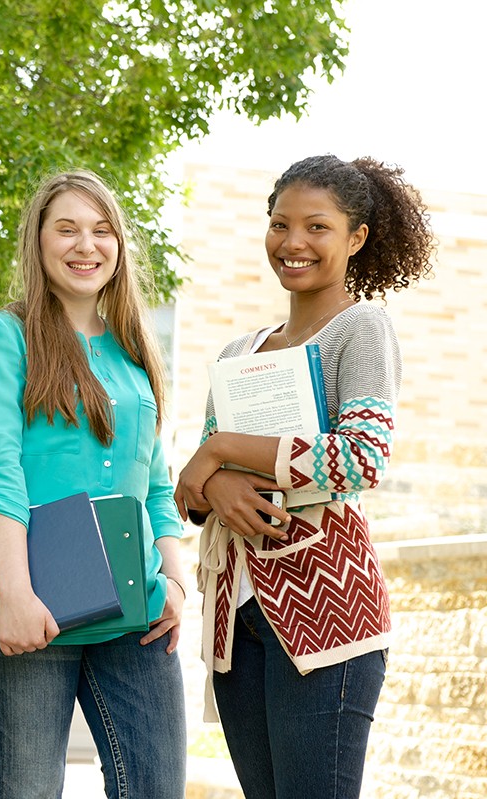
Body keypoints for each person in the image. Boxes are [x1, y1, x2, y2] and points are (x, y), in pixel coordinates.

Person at [174, 154, 435, 798]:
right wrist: (215, 483)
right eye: (279, 224)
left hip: (327, 619)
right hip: (237, 617)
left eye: (317, 227)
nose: (293, 242)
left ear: (356, 238)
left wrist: (226, 452)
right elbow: (192, 490)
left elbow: (361, 458)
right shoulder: (239, 352)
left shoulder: (361, 328)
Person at [0, 169, 188, 799]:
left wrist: (173, 581)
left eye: (101, 230)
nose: (86, 245)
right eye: (66, 229)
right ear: (38, 243)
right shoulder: (4, 337)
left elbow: (157, 486)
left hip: (137, 617)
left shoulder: (134, 348)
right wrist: (14, 595)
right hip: (36, 614)